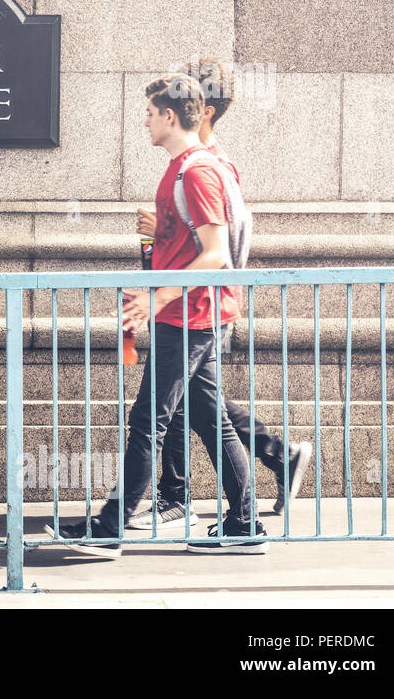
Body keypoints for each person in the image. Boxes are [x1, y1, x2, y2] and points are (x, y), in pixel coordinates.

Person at [47, 74, 266, 556]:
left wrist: (157, 299)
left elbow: (214, 255)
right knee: (212, 420)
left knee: (148, 420)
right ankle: (245, 524)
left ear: (171, 117)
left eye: (150, 113)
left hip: (191, 315)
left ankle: (109, 530)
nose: (144, 120)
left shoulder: (197, 172)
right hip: (190, 311)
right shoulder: (182, 169)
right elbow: (188, 243)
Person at [131, 57, 312, 530]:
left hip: (197, 305)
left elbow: (222, 248)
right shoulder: (188, 164)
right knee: (200, 407)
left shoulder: (207, 167)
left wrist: (166, 286)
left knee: (167, 409)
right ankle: (254, 493)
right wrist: (164, 233)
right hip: (188, 300)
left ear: (202, 111)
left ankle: (177, 498)